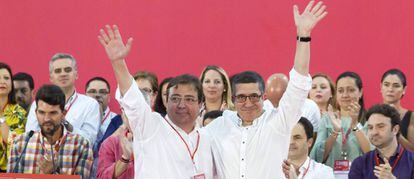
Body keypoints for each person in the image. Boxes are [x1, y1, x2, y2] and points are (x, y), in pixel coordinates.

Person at [204, 1, 327, 178]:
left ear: (264, 96)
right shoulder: (218, 127)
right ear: (233, 97)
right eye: (241, 97)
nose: (248, 103)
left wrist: (304, 36)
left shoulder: (279, 122)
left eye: (254, 96)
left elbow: (299, 83)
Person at [98, 25, 215, 178]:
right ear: (166, 101)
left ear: (201, 104)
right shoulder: (151, 126)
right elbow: (133, 100)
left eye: (189, 99)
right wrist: (118, 62)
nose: (181, 104)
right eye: (175, 98)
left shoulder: (208, 137)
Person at [8, 84, 93, 178]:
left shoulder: (81, 145)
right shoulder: (20, 143)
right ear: (36, 113)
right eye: (41, 112)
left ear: (63, 114)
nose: (46, 119)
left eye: (53, 113)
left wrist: (54, 173)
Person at [25, 53, 101, 145]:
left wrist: (66, 124)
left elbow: (89, 140)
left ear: (76, 74)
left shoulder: (90, 104)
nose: (63, 74)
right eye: (58, 71)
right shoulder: (39, 103)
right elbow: (30, 136)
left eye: (67, 70)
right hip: (43, 156)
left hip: (76, 157)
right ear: (51, 77)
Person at [310, 71, 371, 169]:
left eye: (351, 90)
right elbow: (317, 157)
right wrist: (335, 132)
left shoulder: (370, 118)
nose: (345, 95)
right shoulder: (327, 119)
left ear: (360, 92)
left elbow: (372, 154)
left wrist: (355, 124)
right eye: (340, 90)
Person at [349, 104, 414, 179]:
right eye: (370, 128)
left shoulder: (412, 161)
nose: (374, 132)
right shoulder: (359, 163)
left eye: (380, 126)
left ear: (395, 129)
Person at [96, 91, 151, 179]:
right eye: (129, 111)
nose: (134, 117)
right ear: (122, 113)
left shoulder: (161, 139)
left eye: (138, 110)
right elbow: (101, 177)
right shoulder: (111, 143)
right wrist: (125, 158)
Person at [0, 62, 27, 172]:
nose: (2, 81)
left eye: (6, 78)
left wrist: (1, 119)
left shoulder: (19, 112)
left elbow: (14, 143)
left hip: (9, 170)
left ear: (11, 84)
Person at [380, 69, 414, 151]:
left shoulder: (411, 116)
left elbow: (412, 151)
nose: (390, 89)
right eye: (386, 85)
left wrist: (396, 132)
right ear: (381, 87)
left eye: (396, 86)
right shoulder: (372, 114)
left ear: (404, 90)